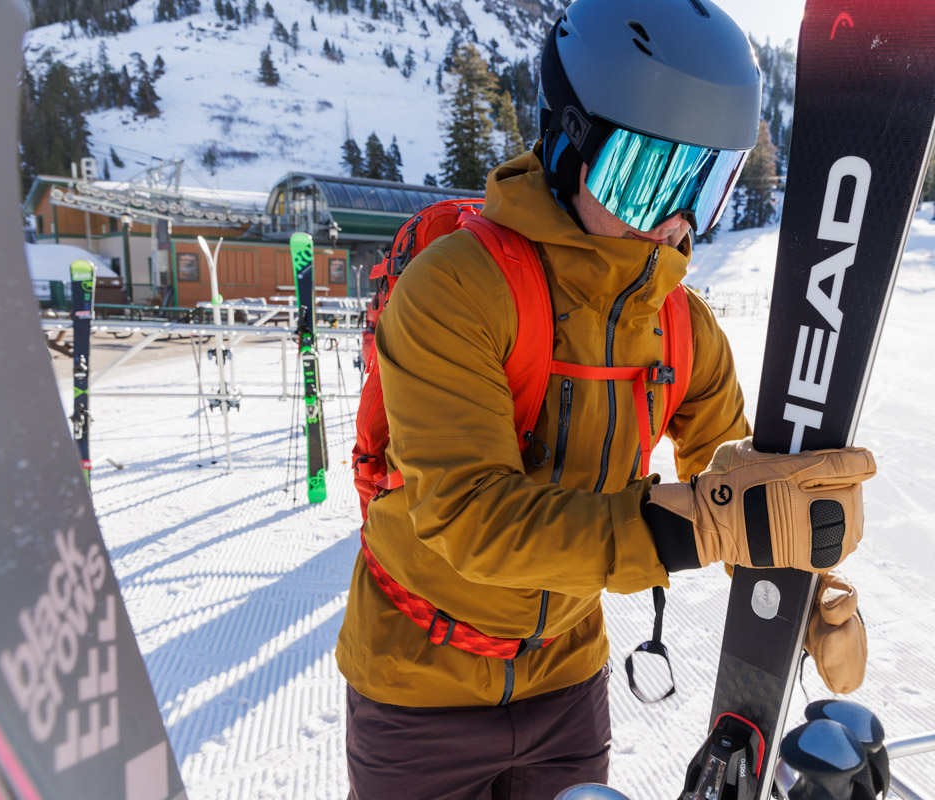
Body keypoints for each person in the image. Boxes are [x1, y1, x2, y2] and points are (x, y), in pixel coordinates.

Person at [336, 0, 876, 796]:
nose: (676, 223)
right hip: (417, 691)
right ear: (567, 144)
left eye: (704, 182)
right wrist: (694, 525)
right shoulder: (457, 288)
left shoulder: (683, 327)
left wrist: (799, 582)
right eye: (649, 175)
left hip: (567, 682)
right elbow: (470, 515)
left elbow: (733, 479)